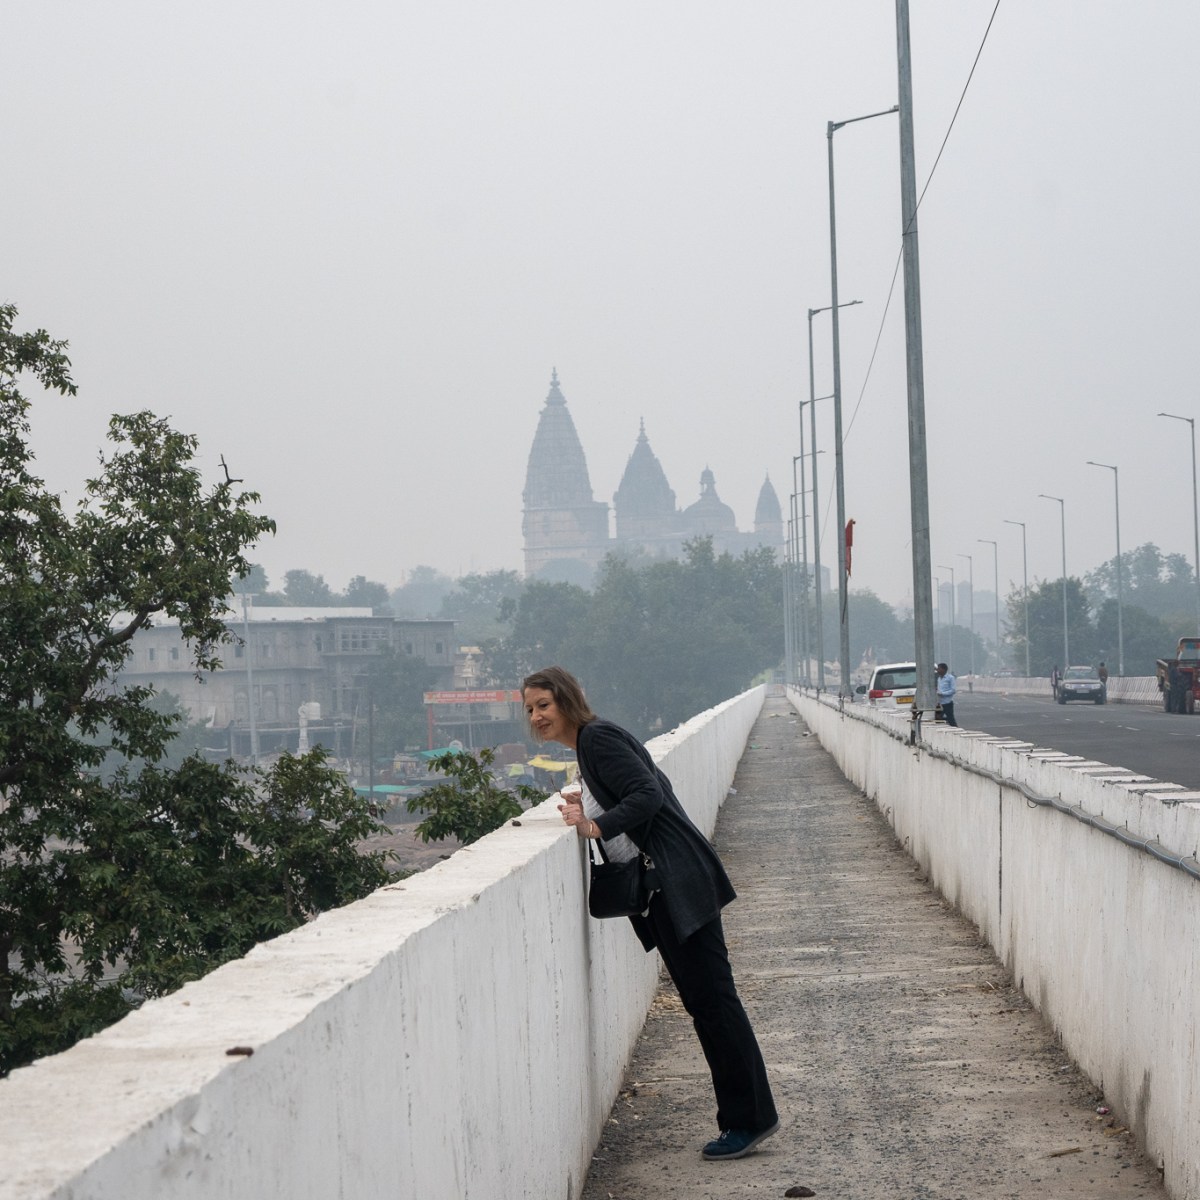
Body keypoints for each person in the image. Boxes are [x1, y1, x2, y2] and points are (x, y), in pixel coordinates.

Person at [522, 666, 779, 1163]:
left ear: (568, 701)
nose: (536, 717)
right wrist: (588, 812)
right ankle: (747, 1116)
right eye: (530, 709)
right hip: (670, 885)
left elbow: (647, 795)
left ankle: (749, 1119)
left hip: (676, 883)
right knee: (708, 1003)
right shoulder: (590, 747)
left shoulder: (598, 739)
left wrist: (596, 826)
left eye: (543, 706)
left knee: (714, 1003)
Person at [936, 662, 957, 727]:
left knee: (951, 719)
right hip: (940, 703)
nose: (937, 670)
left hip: (947, 703)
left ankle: (955, 729)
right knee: (937, 719)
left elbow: (953, 690)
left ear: (944, 669)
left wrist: (943, 694)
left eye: (939, 669)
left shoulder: (950, 678)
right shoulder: (939, 679)